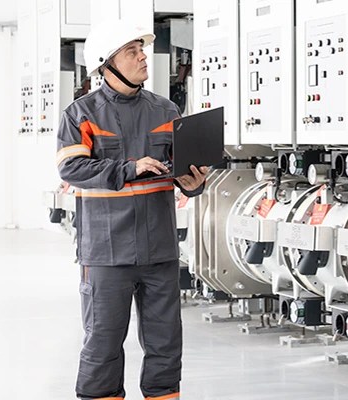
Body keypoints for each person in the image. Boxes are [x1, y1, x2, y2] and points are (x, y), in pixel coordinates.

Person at [56, 20, 207, 400]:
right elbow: (71, 168)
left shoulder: (166, 109)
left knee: (165, 344)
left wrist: (194, 182)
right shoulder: (81, 114)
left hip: (159, 248)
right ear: (106, 64)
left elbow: (183, 168)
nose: (143, 57)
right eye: (132, 51)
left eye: (142, 49)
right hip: (107, 252)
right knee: (103, 344)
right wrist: (129, 168)